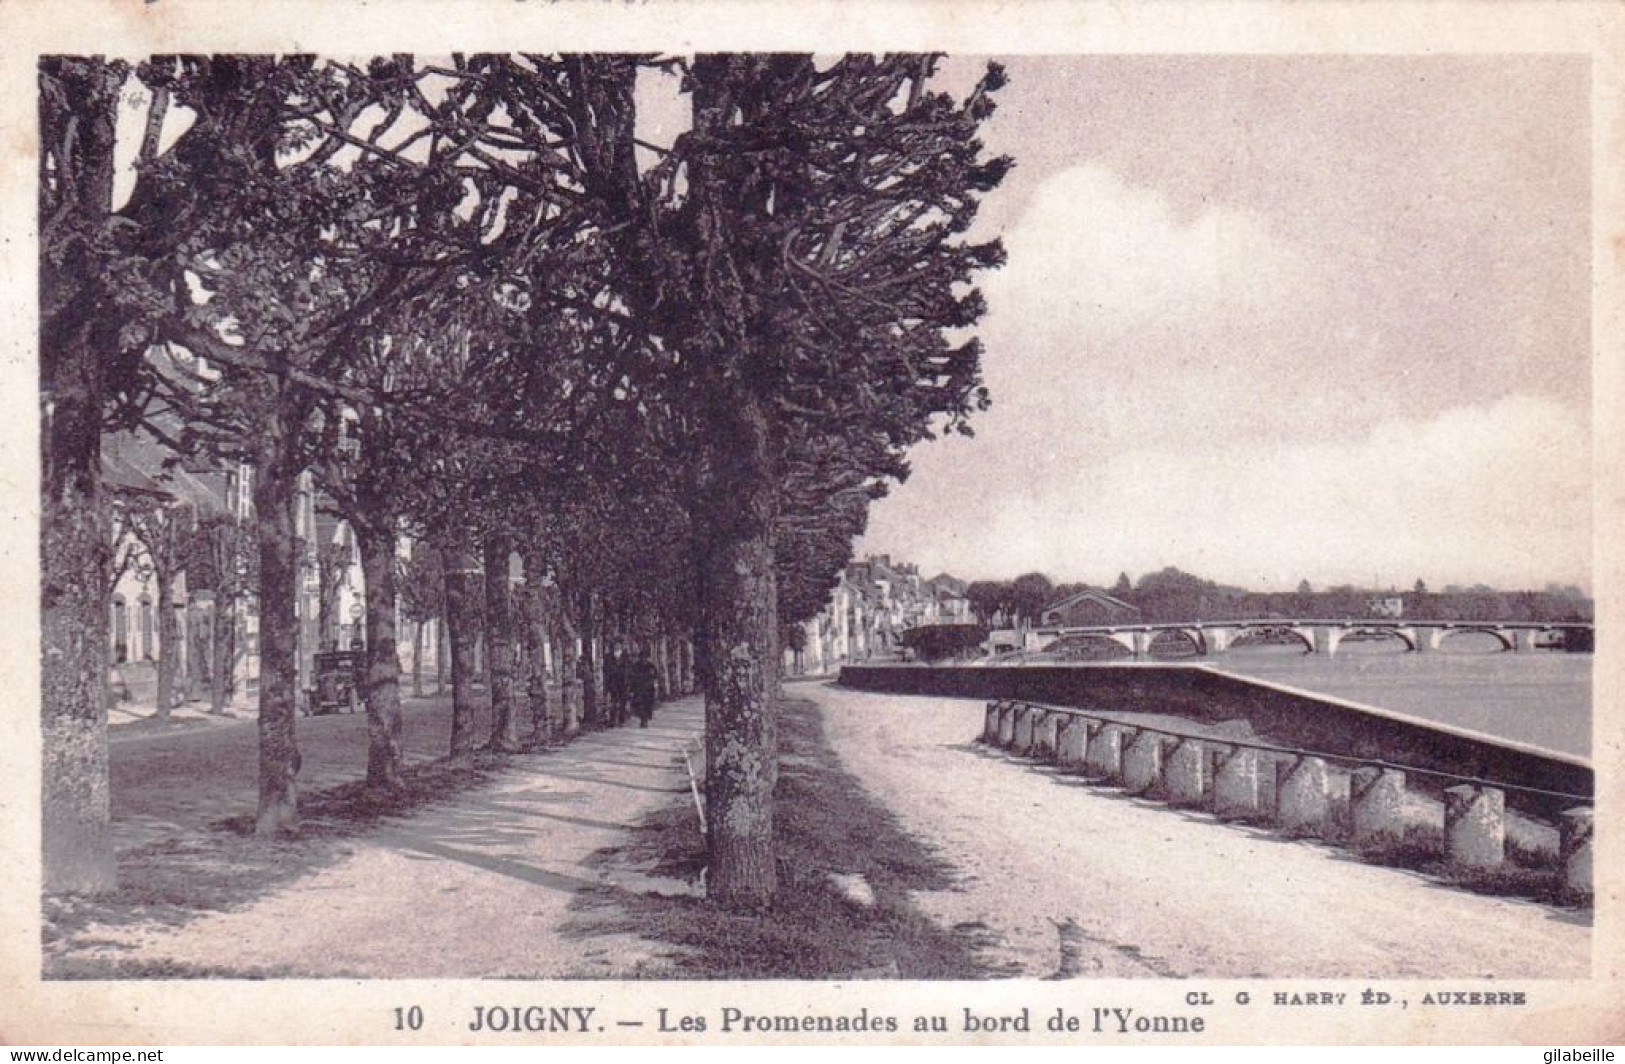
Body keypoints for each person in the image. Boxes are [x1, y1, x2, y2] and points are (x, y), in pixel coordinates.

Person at [630, 650, 658, 728]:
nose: (643, 659)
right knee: (638, 705)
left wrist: (655, 686)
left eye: (645, 657)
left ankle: (644, 720)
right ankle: (642, 718)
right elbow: (632, 677)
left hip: (648, 689)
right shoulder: (636, 666)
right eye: (642, 657)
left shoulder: (651, 666)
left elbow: (655, 677)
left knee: (647, 705)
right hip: (638, 689)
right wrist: (632, 688)